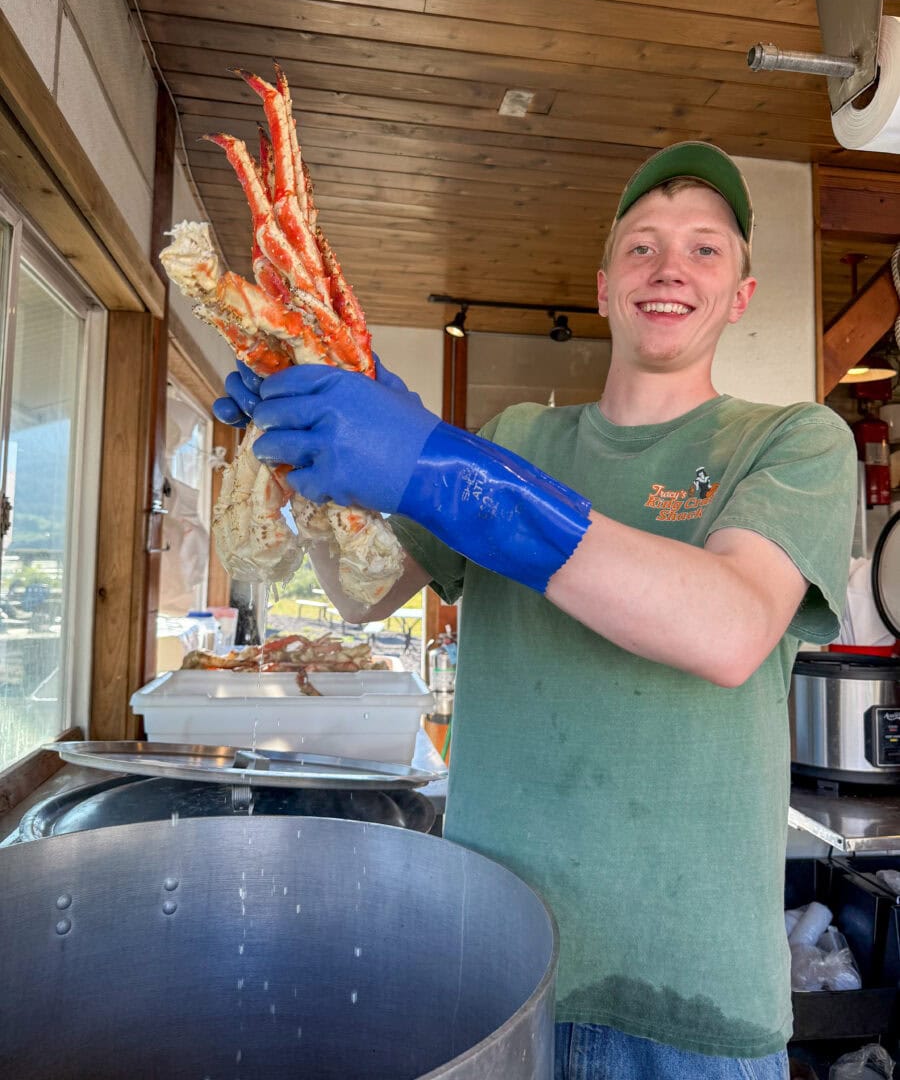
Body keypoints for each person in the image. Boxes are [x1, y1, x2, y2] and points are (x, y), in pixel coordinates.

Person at [215, 142, 858, 1080]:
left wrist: (447, 467)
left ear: (742, 296)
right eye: (642, 247)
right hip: (493, 972)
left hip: (689, 1004)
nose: (670, 267)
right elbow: (363, 590)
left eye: (705, 249)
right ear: (603, 289)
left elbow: (726, 629)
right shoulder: (518, 435)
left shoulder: (795, 441)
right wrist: (308, 465)